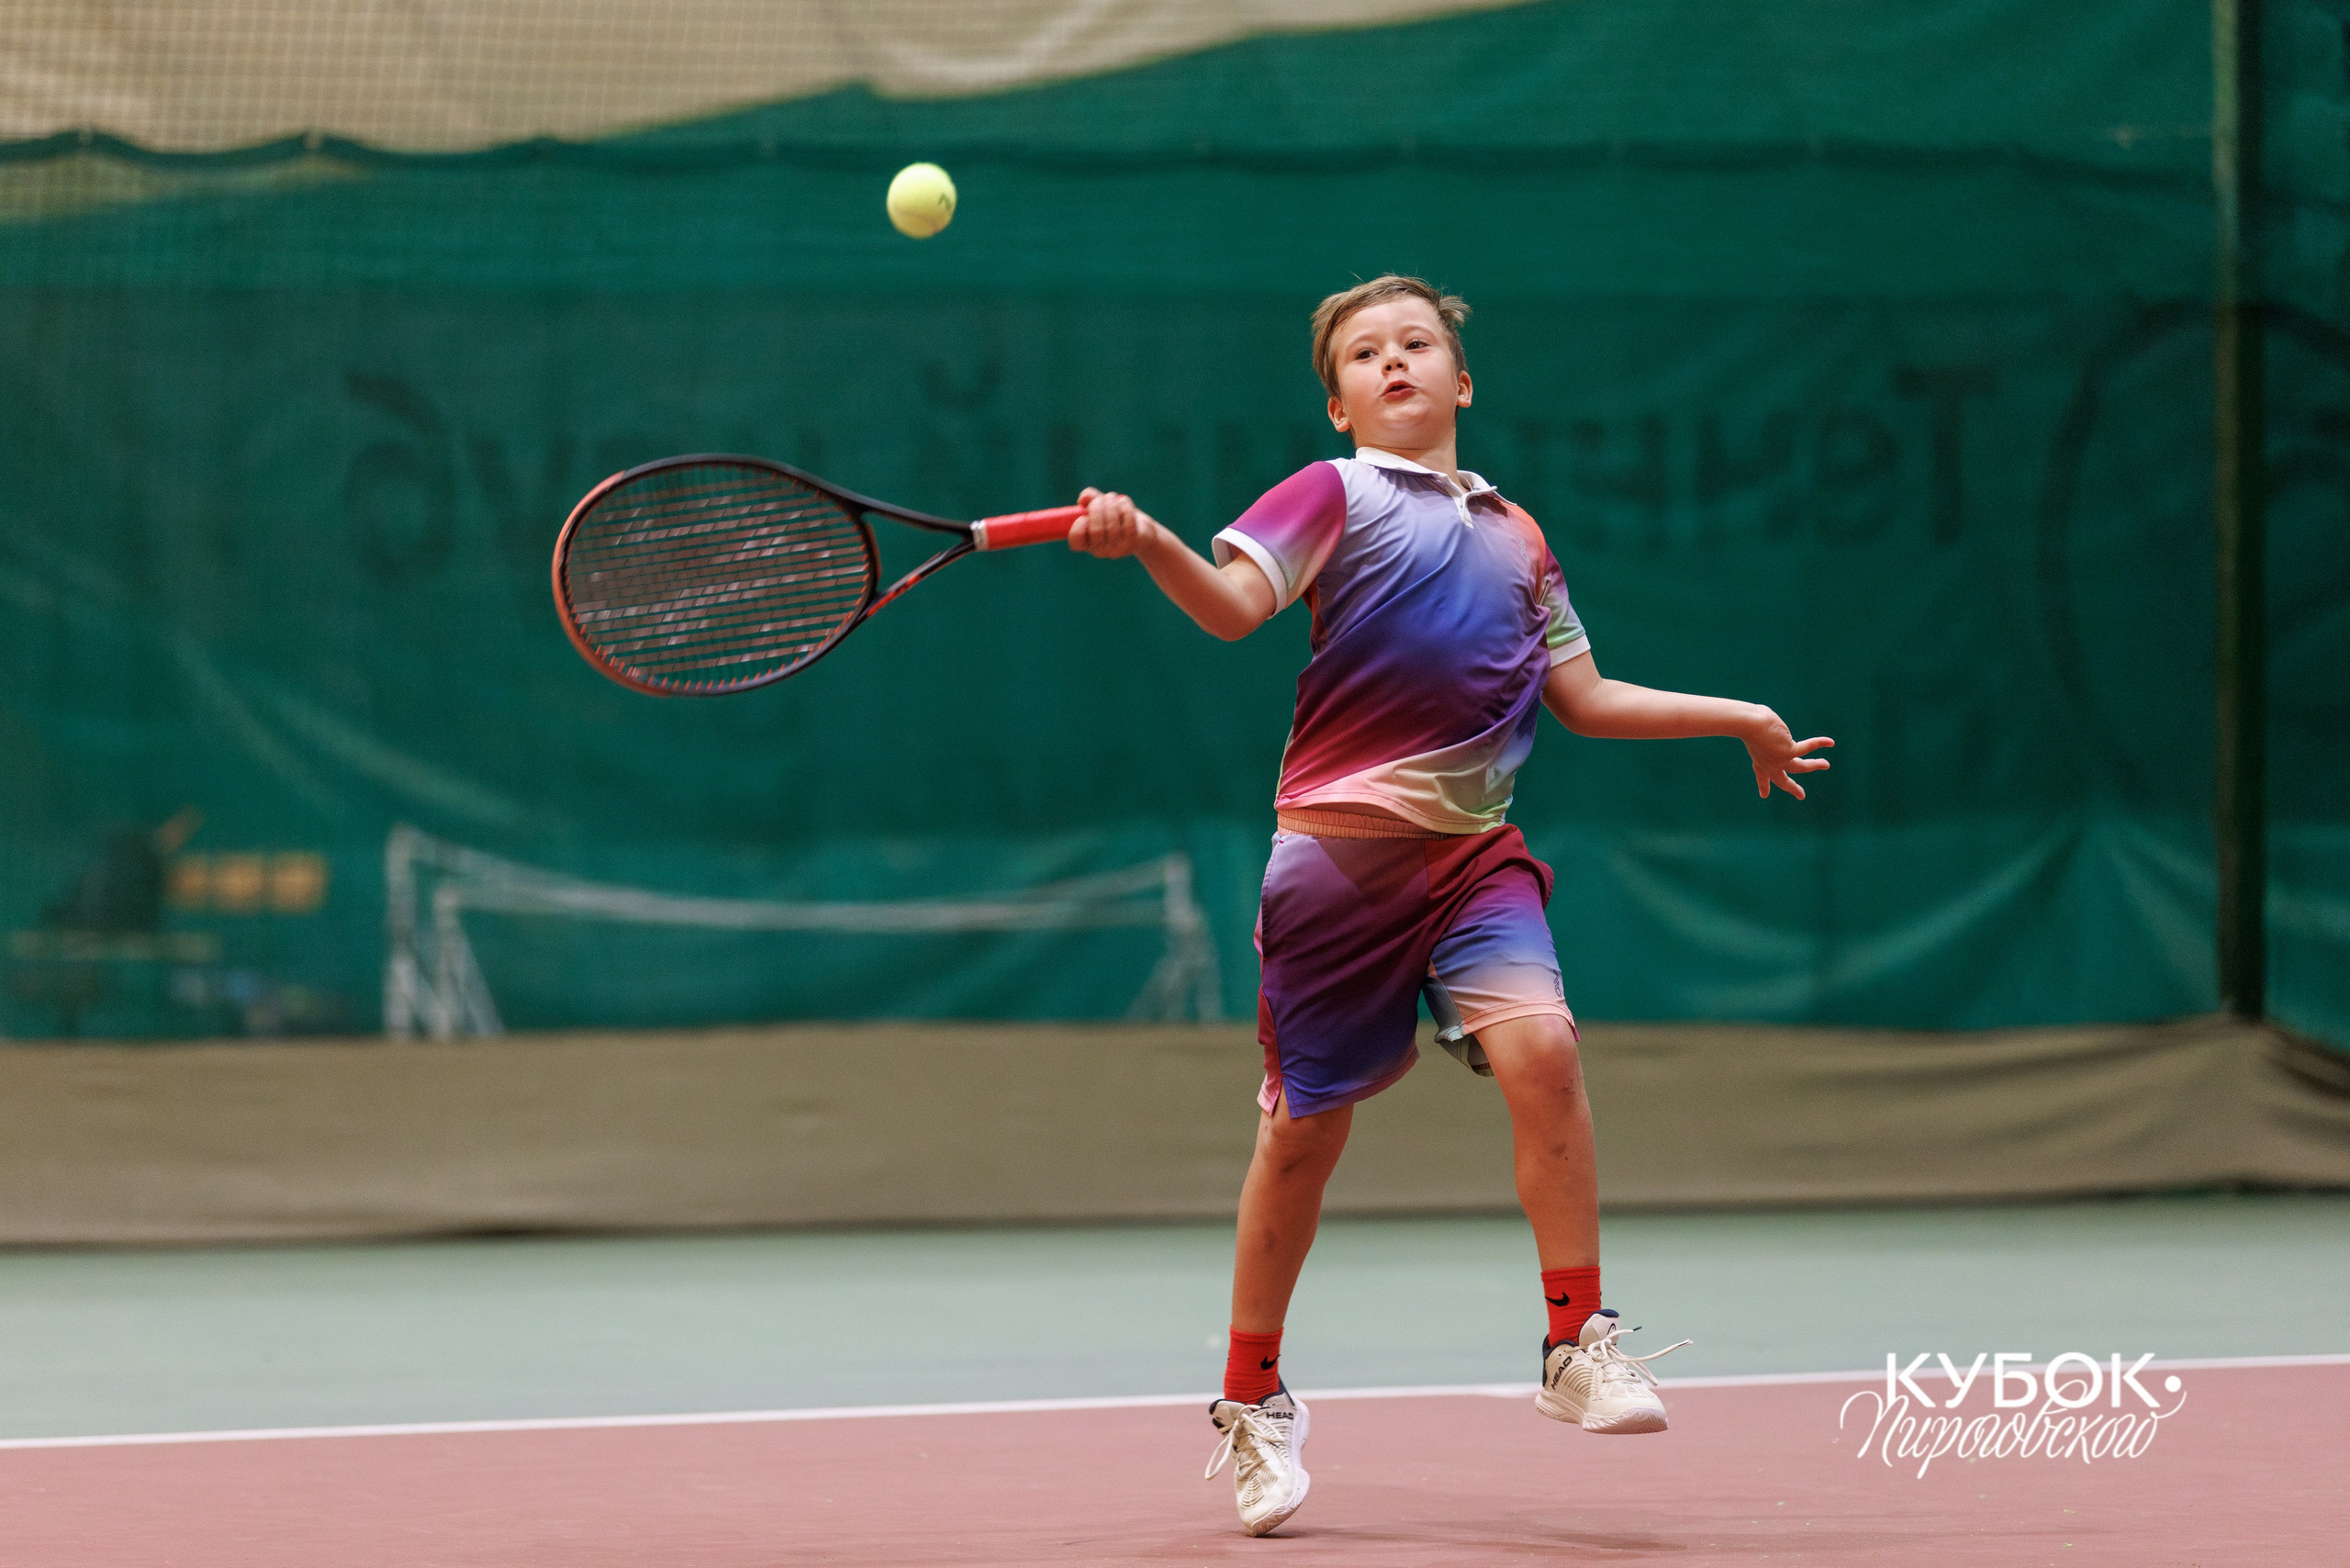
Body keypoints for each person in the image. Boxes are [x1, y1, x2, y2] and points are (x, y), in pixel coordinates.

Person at [1067, 275, 1832, 1537]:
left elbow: (1579, 697)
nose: (1395, 362)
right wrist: (1148, 539)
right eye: (1366, 354)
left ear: (1461, 381)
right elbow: (1232, 607)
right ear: (1340, 399)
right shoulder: (1330, 493)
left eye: (1417, 343)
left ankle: (1576, 1341)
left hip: (1475, 862)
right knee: (1303, 1139)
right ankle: (1253, 1399)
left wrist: (1736, 717)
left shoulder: (1521, 536)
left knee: (1543, 1051)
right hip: (1333, 871)